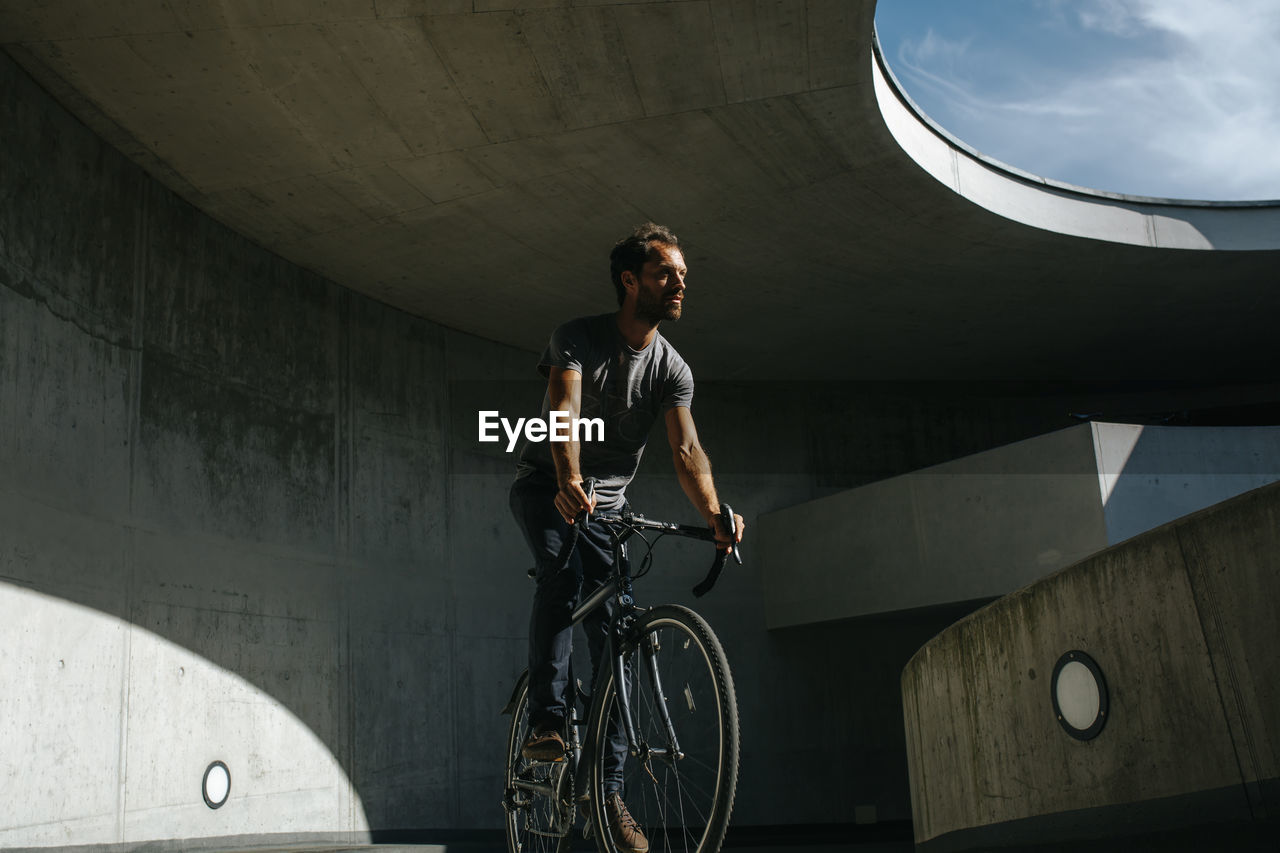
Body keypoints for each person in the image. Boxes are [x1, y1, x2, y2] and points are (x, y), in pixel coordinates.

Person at [508, 222, 744, 853]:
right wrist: (569, 476)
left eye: (683, 275)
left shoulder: (672, 368)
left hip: (608, 509)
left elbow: (687, 449)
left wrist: (718, 512)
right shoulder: (578, 338)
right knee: (560, 571)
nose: (680, 284)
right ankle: (549, 724)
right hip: (548, 487)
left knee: (618, 638)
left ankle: (607, 796)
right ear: (630, 280)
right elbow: (564, 411)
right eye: (667, 273)